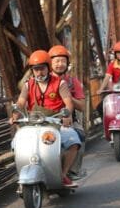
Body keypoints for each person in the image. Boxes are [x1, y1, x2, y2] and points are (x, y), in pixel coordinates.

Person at [9, 49, 81, 188]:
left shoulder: (60, 83)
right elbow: (21, 102)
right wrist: (15, 115)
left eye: (42, 69)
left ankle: (63, 174)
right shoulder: (28, 85)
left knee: (73, 141)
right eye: (36, 70)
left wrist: (66, 115)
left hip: (55, 122)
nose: (39, 73)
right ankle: (23, 172)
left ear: (48, 68)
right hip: (33, 124)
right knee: (16, 144)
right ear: (32, 71)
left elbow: (69, 103)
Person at [49, 45, 86, 180]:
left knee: (79, 136)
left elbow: (82, 106)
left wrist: (69, 97)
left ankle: (71, 171)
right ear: (50, 63)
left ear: (67, 63)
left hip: (68, 121)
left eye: (62, 61)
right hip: (47, 120)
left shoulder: (72, 81)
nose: (59, 64)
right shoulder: (44, 81)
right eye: (56, 61)